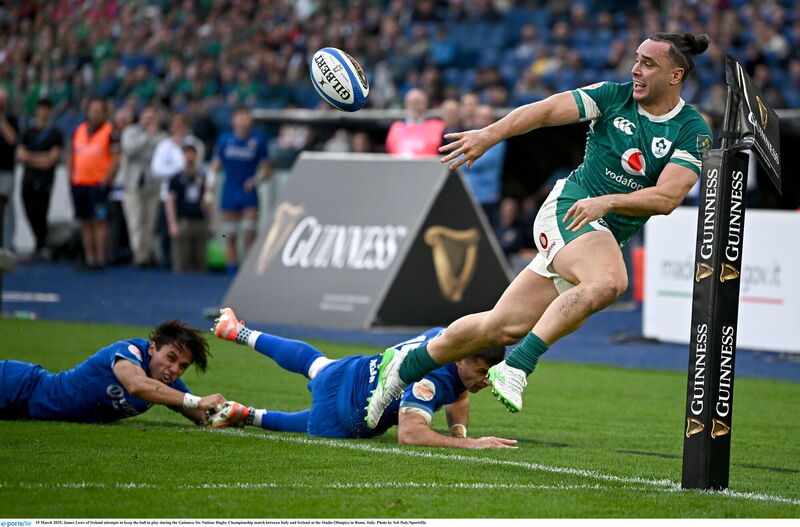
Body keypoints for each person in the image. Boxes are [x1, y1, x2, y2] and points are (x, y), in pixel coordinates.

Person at [366, 32, 713, 426]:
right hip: (568, 209)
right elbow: (546, 110)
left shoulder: (691, 129)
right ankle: (518, 367)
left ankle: (400, 368)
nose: (635, 68)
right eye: (636, 59)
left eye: (649, 63)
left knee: (499, 326)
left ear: (675, 75)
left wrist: (609, 202)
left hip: (598, 227)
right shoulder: (612, 96)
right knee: (610, 282)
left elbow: (668, 197)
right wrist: (488, 135)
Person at [208, 308, 517, 449]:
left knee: (313, 361)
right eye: (482, 372)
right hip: (350, 415)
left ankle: (239, 332)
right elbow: (409, 435)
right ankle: (248, 416)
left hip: (355, 371)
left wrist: (458, 430)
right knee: (313, 422)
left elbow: (459, 389)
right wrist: (470, 444)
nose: (486, 381)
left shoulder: (445, 337)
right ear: (462, 359)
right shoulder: (431, 380)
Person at [0, 319, 225, 424]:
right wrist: (197, 400)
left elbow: (202, 416)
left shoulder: (165, 383)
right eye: (171, 358)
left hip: (26, 410)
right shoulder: (129, 351)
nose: (174, 369)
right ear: (153, 347)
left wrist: (236, 414)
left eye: (183, 366)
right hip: (19, 385)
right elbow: (136, 385)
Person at [208, 107, 270, 277]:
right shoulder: (224, 140)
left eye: (246, 117)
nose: (243, 120)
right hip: (229, 192)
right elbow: (214, 167)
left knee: (250, 233)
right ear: (233, 120)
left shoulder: (258, 141)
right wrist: (208, 190)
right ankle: (232, 271)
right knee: (231, 235)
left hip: (248, 194)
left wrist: (255, 180)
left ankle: (250, 271)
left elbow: (266, 169)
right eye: (240, 117)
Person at [69, 97, 120, 270]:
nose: (94, 114)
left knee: (100, 220)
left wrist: (107, 177)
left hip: (98, 183)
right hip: (80, 181)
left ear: (104, 113)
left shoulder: (110, 131)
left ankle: (100, 258)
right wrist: (71, 175)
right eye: (92, 110)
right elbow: (73, 154)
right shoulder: (80, 130)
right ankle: (89, 258)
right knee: (85, 221)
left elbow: (116, 157)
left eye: (98, 111)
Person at [151, 113, 205, 269]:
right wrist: (177, 171)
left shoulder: (196, 144)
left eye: (182, 124)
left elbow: (196, 165)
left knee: (192, 230)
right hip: (168, 192)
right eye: (175, 124)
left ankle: (190, 262)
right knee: (166, 229)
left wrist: (178, 169)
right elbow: (157, 169)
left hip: (191, 196)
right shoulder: (164, 145)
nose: (178, 127)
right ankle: (169, 261)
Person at [118, 105, 167, 267]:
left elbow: (159, 155)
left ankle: (146, 253)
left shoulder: (162, 136)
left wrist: (145, 147)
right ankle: (139, 255)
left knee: (150, 221)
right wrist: (147, 137)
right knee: (135, 220)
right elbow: (129, 150)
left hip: (153, 184)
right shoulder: (130, 131)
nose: (149, 119)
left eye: (153, 116)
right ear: (141, 117)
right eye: (147, 116)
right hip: (132, 184)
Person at [17, 98, 63, 261]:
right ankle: (39, 243)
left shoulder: (55, 133)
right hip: (28, 177)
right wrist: (40, 159)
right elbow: (20, 154)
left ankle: (41, 245)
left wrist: (31, 158)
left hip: (45, 179)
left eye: (46, 109)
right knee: (28, 209)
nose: (43, 112)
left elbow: (51, 160)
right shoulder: (28, 131)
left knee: (41, 210)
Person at [165, 144, 211, 273]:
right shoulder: (175, 178)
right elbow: (170, 202)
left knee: (201, 262)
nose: (190, 157)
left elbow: (208, 200)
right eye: (187, 154)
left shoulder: (202, 177)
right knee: (181, 262)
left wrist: (211, 221)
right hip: (183, 221)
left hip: (200, 220)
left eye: (192, 154)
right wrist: (172, 223)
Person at [460, 104, 507, 227]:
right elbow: (457, 161)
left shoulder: (498, 141)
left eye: (487, 117)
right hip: (468, 195)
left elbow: (479, 162)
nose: (483, 120)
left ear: (492, 120)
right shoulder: (467, 139)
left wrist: (463, 159)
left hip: (487, 197)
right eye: (480, 117)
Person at [385, 88, 445, 158]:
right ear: (406, 105)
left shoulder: (436, 126)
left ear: (426, 105)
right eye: (412, 102)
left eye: (419, 102)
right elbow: (390, 149)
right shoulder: (396, 127)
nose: (415, 106)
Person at [0, 88, 19, 251]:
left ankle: (7, 246)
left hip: (5, 170)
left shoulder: (11, 119)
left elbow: (12, 139)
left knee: (6, 210)